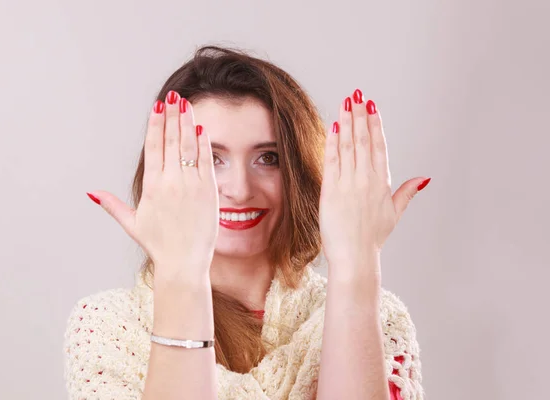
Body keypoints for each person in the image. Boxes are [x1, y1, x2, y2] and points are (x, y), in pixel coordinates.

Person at [64, 45, 429, 400]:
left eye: (268, 158)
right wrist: (180, 273)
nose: (240, 189)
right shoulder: (108, 328)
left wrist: (356, 264)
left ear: (298, 173)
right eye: (210, 158)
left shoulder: (380, 319)